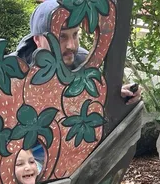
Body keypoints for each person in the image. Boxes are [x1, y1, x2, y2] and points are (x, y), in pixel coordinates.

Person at [14, 0, 142, 105]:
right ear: (37, 40)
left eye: (75, 34)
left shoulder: (83, 60)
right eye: (61, 37)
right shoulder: (11, 72)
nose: (71, 46)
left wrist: (117, 96)